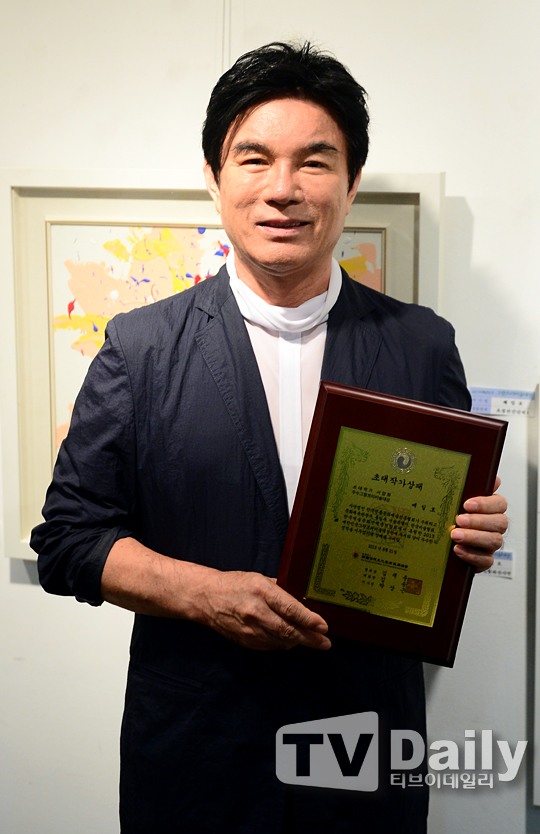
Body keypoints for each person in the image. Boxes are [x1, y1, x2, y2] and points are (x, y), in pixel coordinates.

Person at [31, 42, 507, 833]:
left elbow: (442, 532)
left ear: (352, 182)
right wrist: (206, 596)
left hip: (363, 745)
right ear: (215, 179)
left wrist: (471, 533)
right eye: (254, 159)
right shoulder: (141, 349)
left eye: (315, 162)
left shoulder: (422, 346)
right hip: (194, 755)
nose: (283, 188)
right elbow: (69, 542)